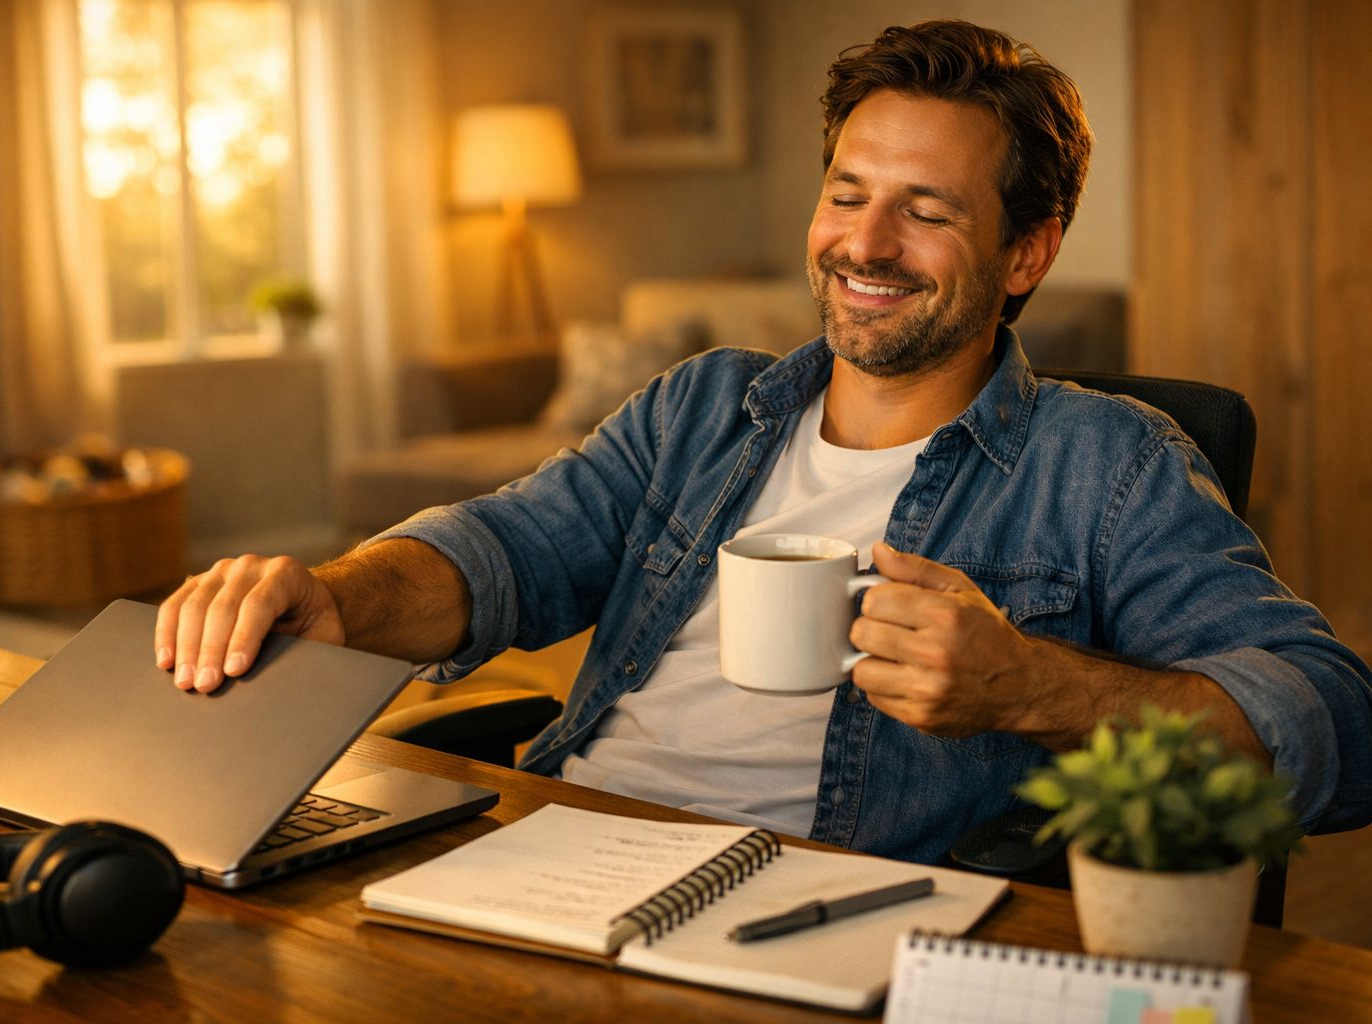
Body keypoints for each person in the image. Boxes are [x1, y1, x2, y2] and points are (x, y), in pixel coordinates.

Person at [155, 20, 1372, 862]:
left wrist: (1036, 686)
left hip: (822, 903)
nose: (866, 243)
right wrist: (336, 598)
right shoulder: (701, 406)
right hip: (560, 850)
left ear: (1027, 252)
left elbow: (1337, 721)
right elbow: (504, 547)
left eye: (926, 210)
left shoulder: (1107, 463)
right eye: (847, 193)